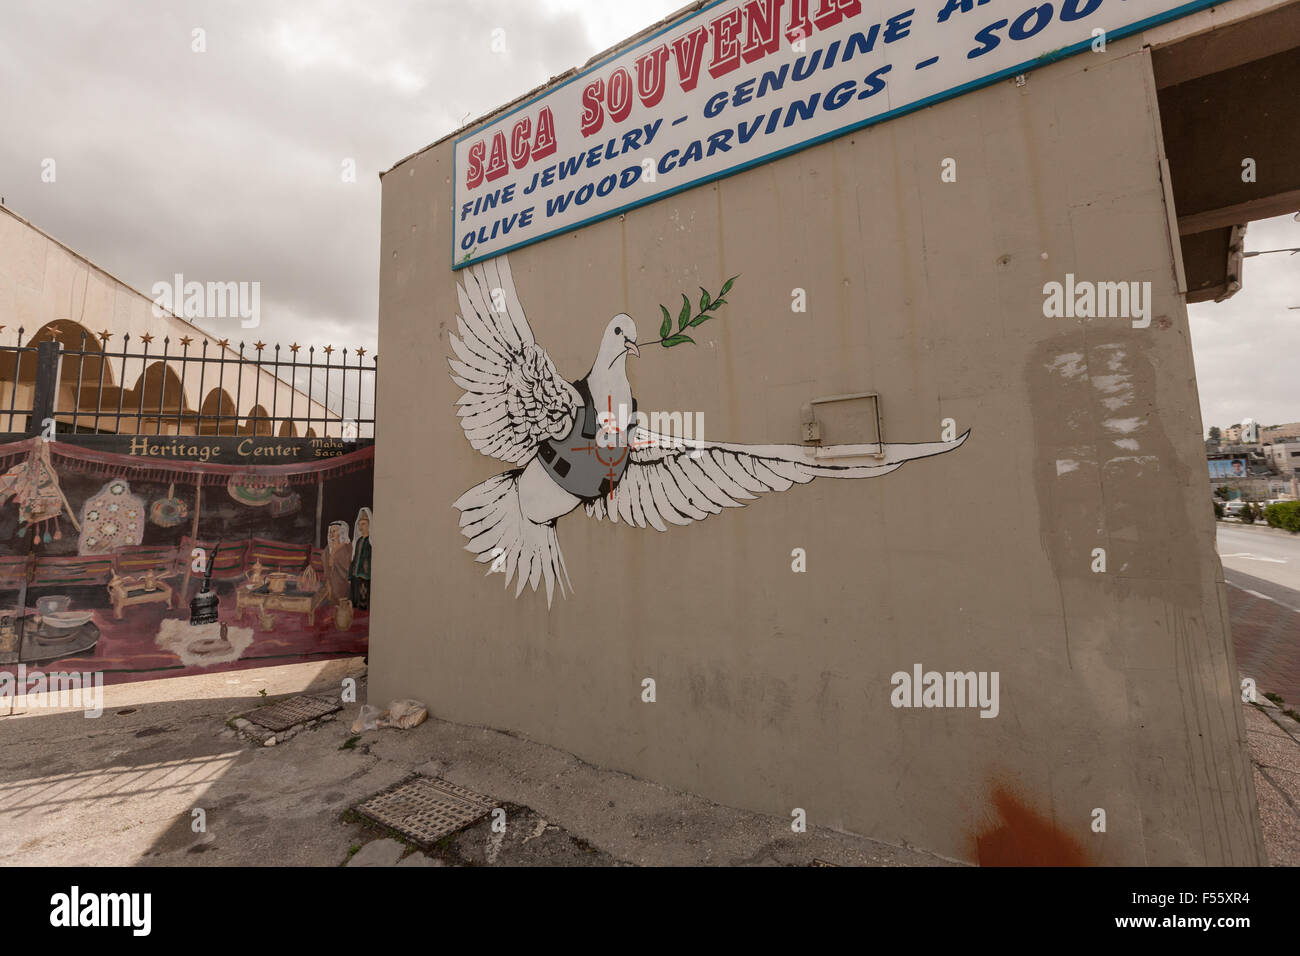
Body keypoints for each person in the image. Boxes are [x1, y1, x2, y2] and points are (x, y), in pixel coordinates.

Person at [349, 507, 372, 611]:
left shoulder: (370, 542)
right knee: (354, 599)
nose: (360, 526)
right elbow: (354, 558)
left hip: (365, 575)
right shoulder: (358, 541)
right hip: (356, 574)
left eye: (364, 524)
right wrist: (350, 574)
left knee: (364, 600)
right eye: (359, 524)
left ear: (369, 525)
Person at [325, 520, 351, 603]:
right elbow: (327, 566)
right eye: (330, 531)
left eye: (334, 531)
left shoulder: (347, 547)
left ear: (341, 532)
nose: (331, 534)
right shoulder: (327, 549)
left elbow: (347, 567)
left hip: (343, 579)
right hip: (330, 579)